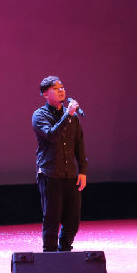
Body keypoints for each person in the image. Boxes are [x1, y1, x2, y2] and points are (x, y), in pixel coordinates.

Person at [32, 76, 87, 252]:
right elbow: (52, 136)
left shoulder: (73, 117)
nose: (61, 90)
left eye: (62, 87)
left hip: (70, 175)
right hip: (50, 174)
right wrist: (67, 115)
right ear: (45, 94)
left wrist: (82, 170)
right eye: (56, 88)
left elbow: (79, 144)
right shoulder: (39, 115)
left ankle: (65, 250)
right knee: (52, 218)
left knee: (73, 219)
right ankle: (49, 255)